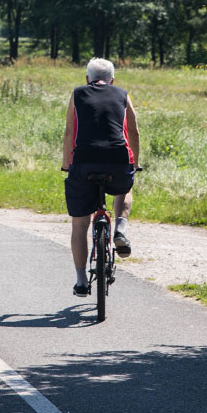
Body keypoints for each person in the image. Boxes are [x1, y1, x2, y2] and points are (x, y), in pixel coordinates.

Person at [60, 57, 140, 297]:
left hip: (83, 161)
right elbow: (133, 131)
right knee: (124, 188)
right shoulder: (123, 94)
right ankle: (120, 230)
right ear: (112, 80)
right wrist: (134, 162)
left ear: (87, 79)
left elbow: (69, 132)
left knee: (80, 223)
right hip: (117, 158)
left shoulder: (77, 94)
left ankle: (81, 281)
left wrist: (66, 164)